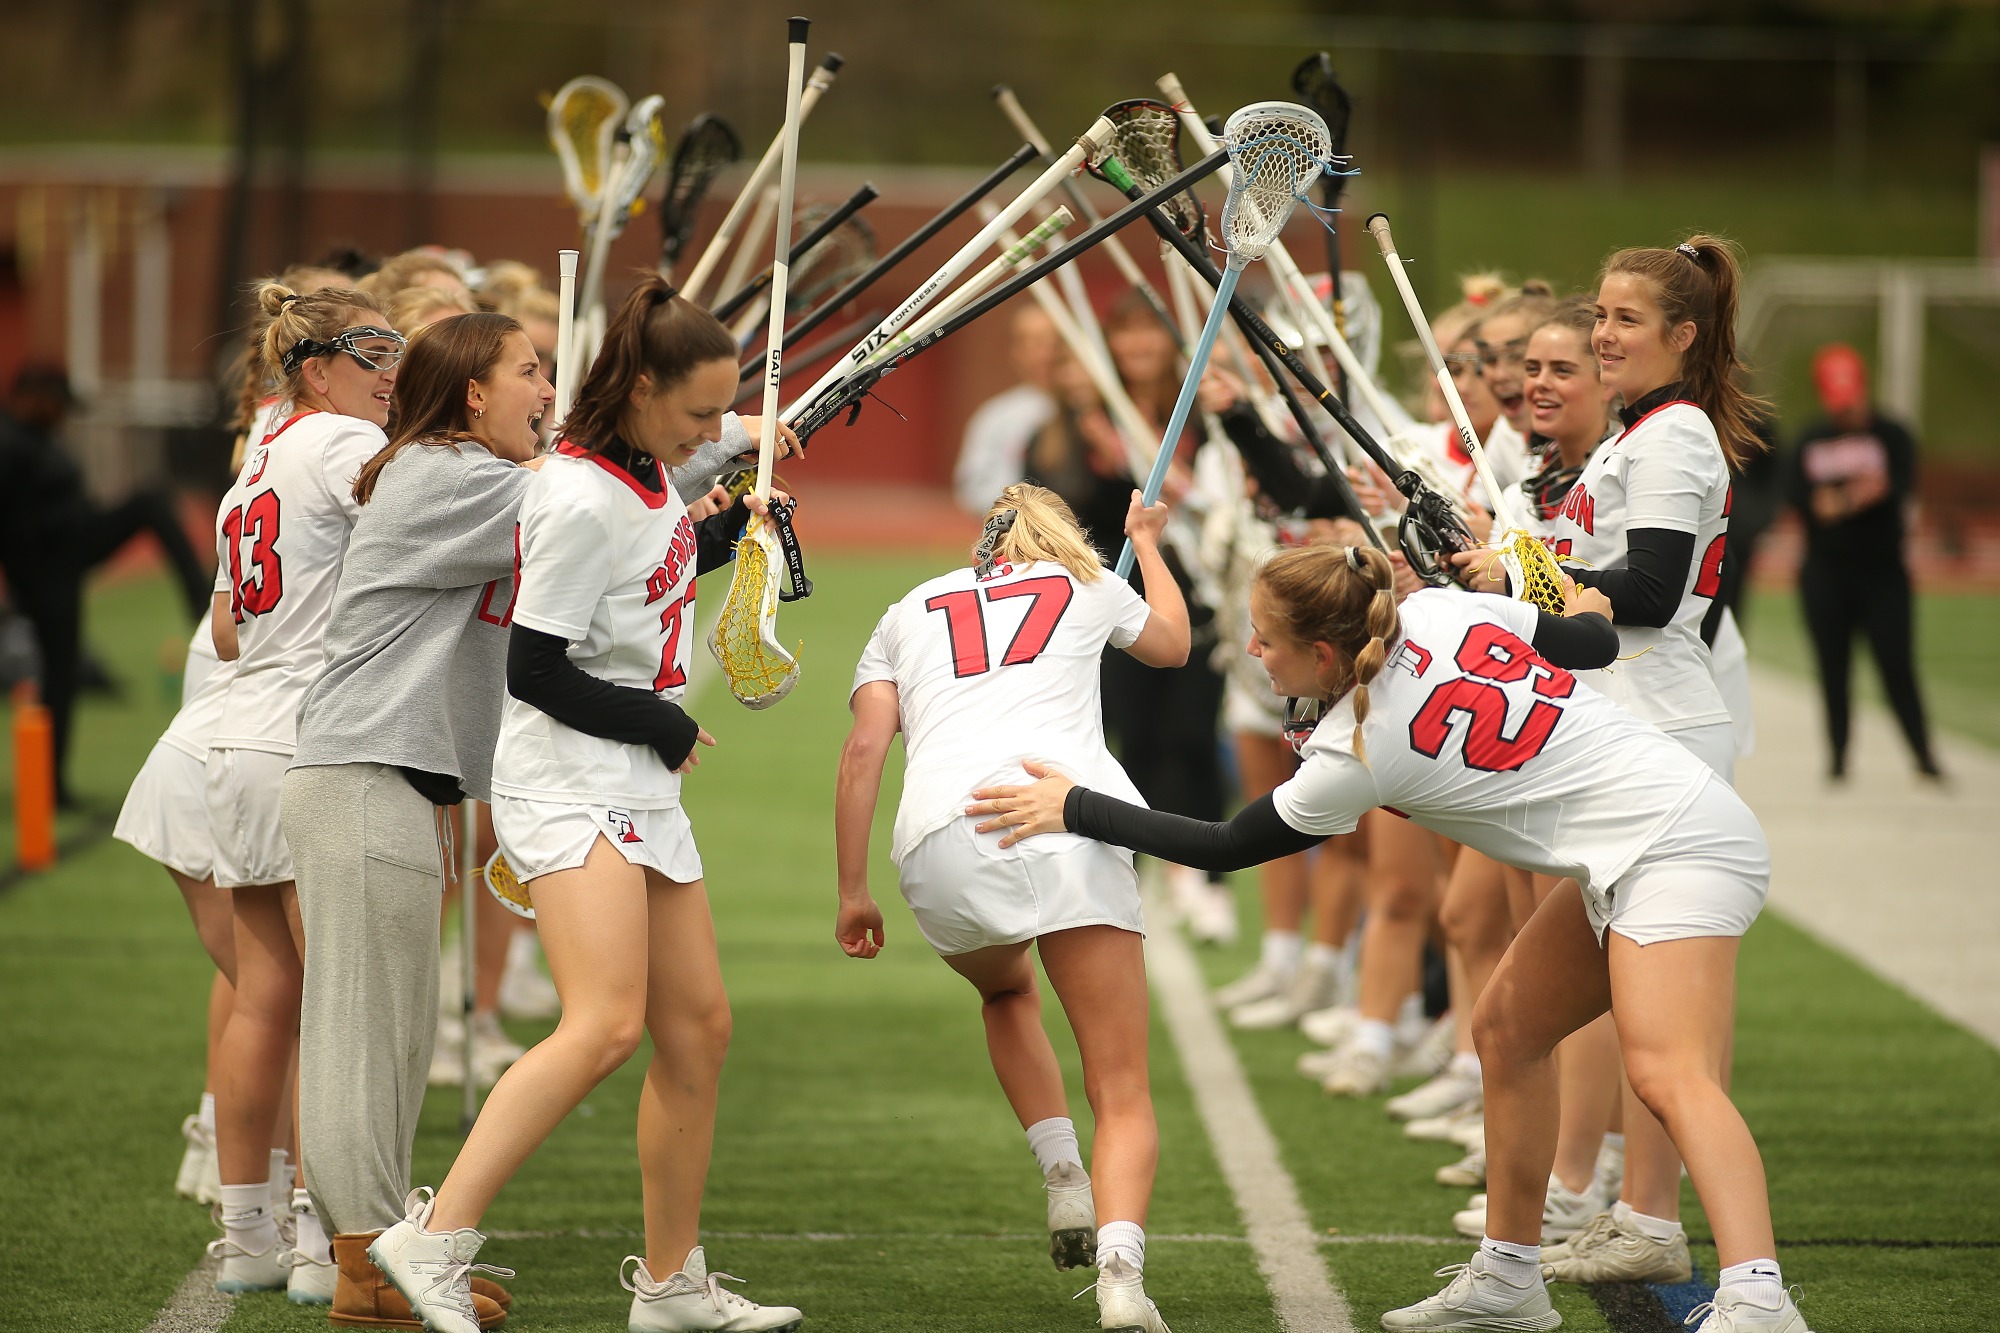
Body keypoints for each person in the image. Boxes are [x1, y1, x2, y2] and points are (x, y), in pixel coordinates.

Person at [972, 546, 1812, 1333]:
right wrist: (1584, 593)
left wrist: (1075, 804)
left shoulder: (1357, 751)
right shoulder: (1441, 609)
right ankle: (1511, 1278)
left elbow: (1223, 845)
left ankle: (1758, 1296)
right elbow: (1590, 643)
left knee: (1667, 1072)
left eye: (1267, 640)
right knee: (1507, 1031)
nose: (1256, 653)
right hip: (1636, 843)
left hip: (1677, 842)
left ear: (1327, 657)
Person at [367, 277, 803, 1333]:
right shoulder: (570, 492)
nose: (714, 432)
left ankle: (669, 1284)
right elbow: (537, 668)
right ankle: (431, 1240)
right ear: (642, 385)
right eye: (700, 413)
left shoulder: (645, 471)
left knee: (697, 1027)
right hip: (565, 774)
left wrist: (724, 538)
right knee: (605, 1022)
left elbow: (640, 575)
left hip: (630, 779)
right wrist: (658, 722)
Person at [833, 482, 1189, 1333]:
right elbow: (1174, 646)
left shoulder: (909, 606)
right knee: (1122, 1083)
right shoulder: (1091, 580)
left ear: (981, 547)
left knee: (1004, 991)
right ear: (1063, 535)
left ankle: (1062, 1171)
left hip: (944, 838)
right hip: (1067, 820)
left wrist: (853, 891)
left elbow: (862, 749)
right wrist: (1149, 539)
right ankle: (1121, 1280)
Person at [280, 312, 549, 1329]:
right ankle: (363, 1271)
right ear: (472, 394)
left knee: (389, 1041)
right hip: (362, 774)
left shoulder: (460, 473)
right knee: (359, 1035)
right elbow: (581, 511)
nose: (544, 390)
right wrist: (700, 445)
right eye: (528, 371)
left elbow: (599, 539)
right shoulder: (448, 473)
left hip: (388, 780)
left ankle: (379, 1252)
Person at [202, 281, 406, 1299]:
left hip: (237, 736)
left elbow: (230, 625)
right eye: (373, 352)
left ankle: (247, 1236)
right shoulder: (331, 443)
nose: (393, 373)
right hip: (305, 745)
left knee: (262, 992)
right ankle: (336, 1247)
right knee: (338, 998)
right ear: (315, 365)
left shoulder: (259, 459)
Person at [0, 365, 213, 805]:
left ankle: (200, 597)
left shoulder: (36, 440)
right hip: (44, 570)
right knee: (57, 674)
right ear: (34, 396)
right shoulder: (9, 443)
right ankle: (49, 786)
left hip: (69, 550)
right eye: (57, 406)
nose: (62, 417)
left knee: (151, 502)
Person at [1786, 342, 1940, 779]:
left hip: (1883, 574)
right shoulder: (1811, 439)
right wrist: (1856, 495)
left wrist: (1842, 499)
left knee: (1896, 663)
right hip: (1825, 575)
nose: (1846, 410)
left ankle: (1924, 756)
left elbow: (1893, 490)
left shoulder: (1893, 435)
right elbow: (1804, 501)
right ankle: (1837, 759)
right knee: (1833, 669)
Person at [953, 303, 1062, 515]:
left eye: (1054, 342)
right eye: (1035, 343)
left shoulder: (1093, 406)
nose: (1046, 353)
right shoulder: (996, 416)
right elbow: (972, 488)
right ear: (1017, 352)